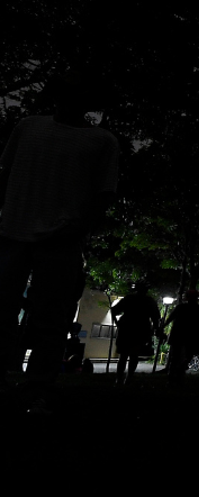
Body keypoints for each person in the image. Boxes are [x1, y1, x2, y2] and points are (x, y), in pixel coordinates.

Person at [0, 71, 120, 412]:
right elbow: (5, 174)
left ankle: (38, 384)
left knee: (51, 316)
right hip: (14, 230)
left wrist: (78, 229)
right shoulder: (28, 127)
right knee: (11, 309)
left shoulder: (102, 141)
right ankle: (25, 382)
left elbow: (103, 195)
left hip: (59, 237)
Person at [111, 282, 162, 385]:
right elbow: (156, 318)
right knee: (132, 355)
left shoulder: (130, 299)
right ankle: (126, 377)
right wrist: (156, 329)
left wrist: (118, 323)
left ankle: (122, 378)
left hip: (129, 328)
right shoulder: (148, 301)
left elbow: (115, 311)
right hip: (139, 329)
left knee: (125, 355)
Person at [162, 289, 199, 386]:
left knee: (176, 356)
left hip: (179, 334)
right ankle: (177, 374)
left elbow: (170, 318)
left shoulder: (182, 307)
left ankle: (173, 375)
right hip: (190, 335)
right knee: (185, 356)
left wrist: (163, 326)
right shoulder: (198, 309)